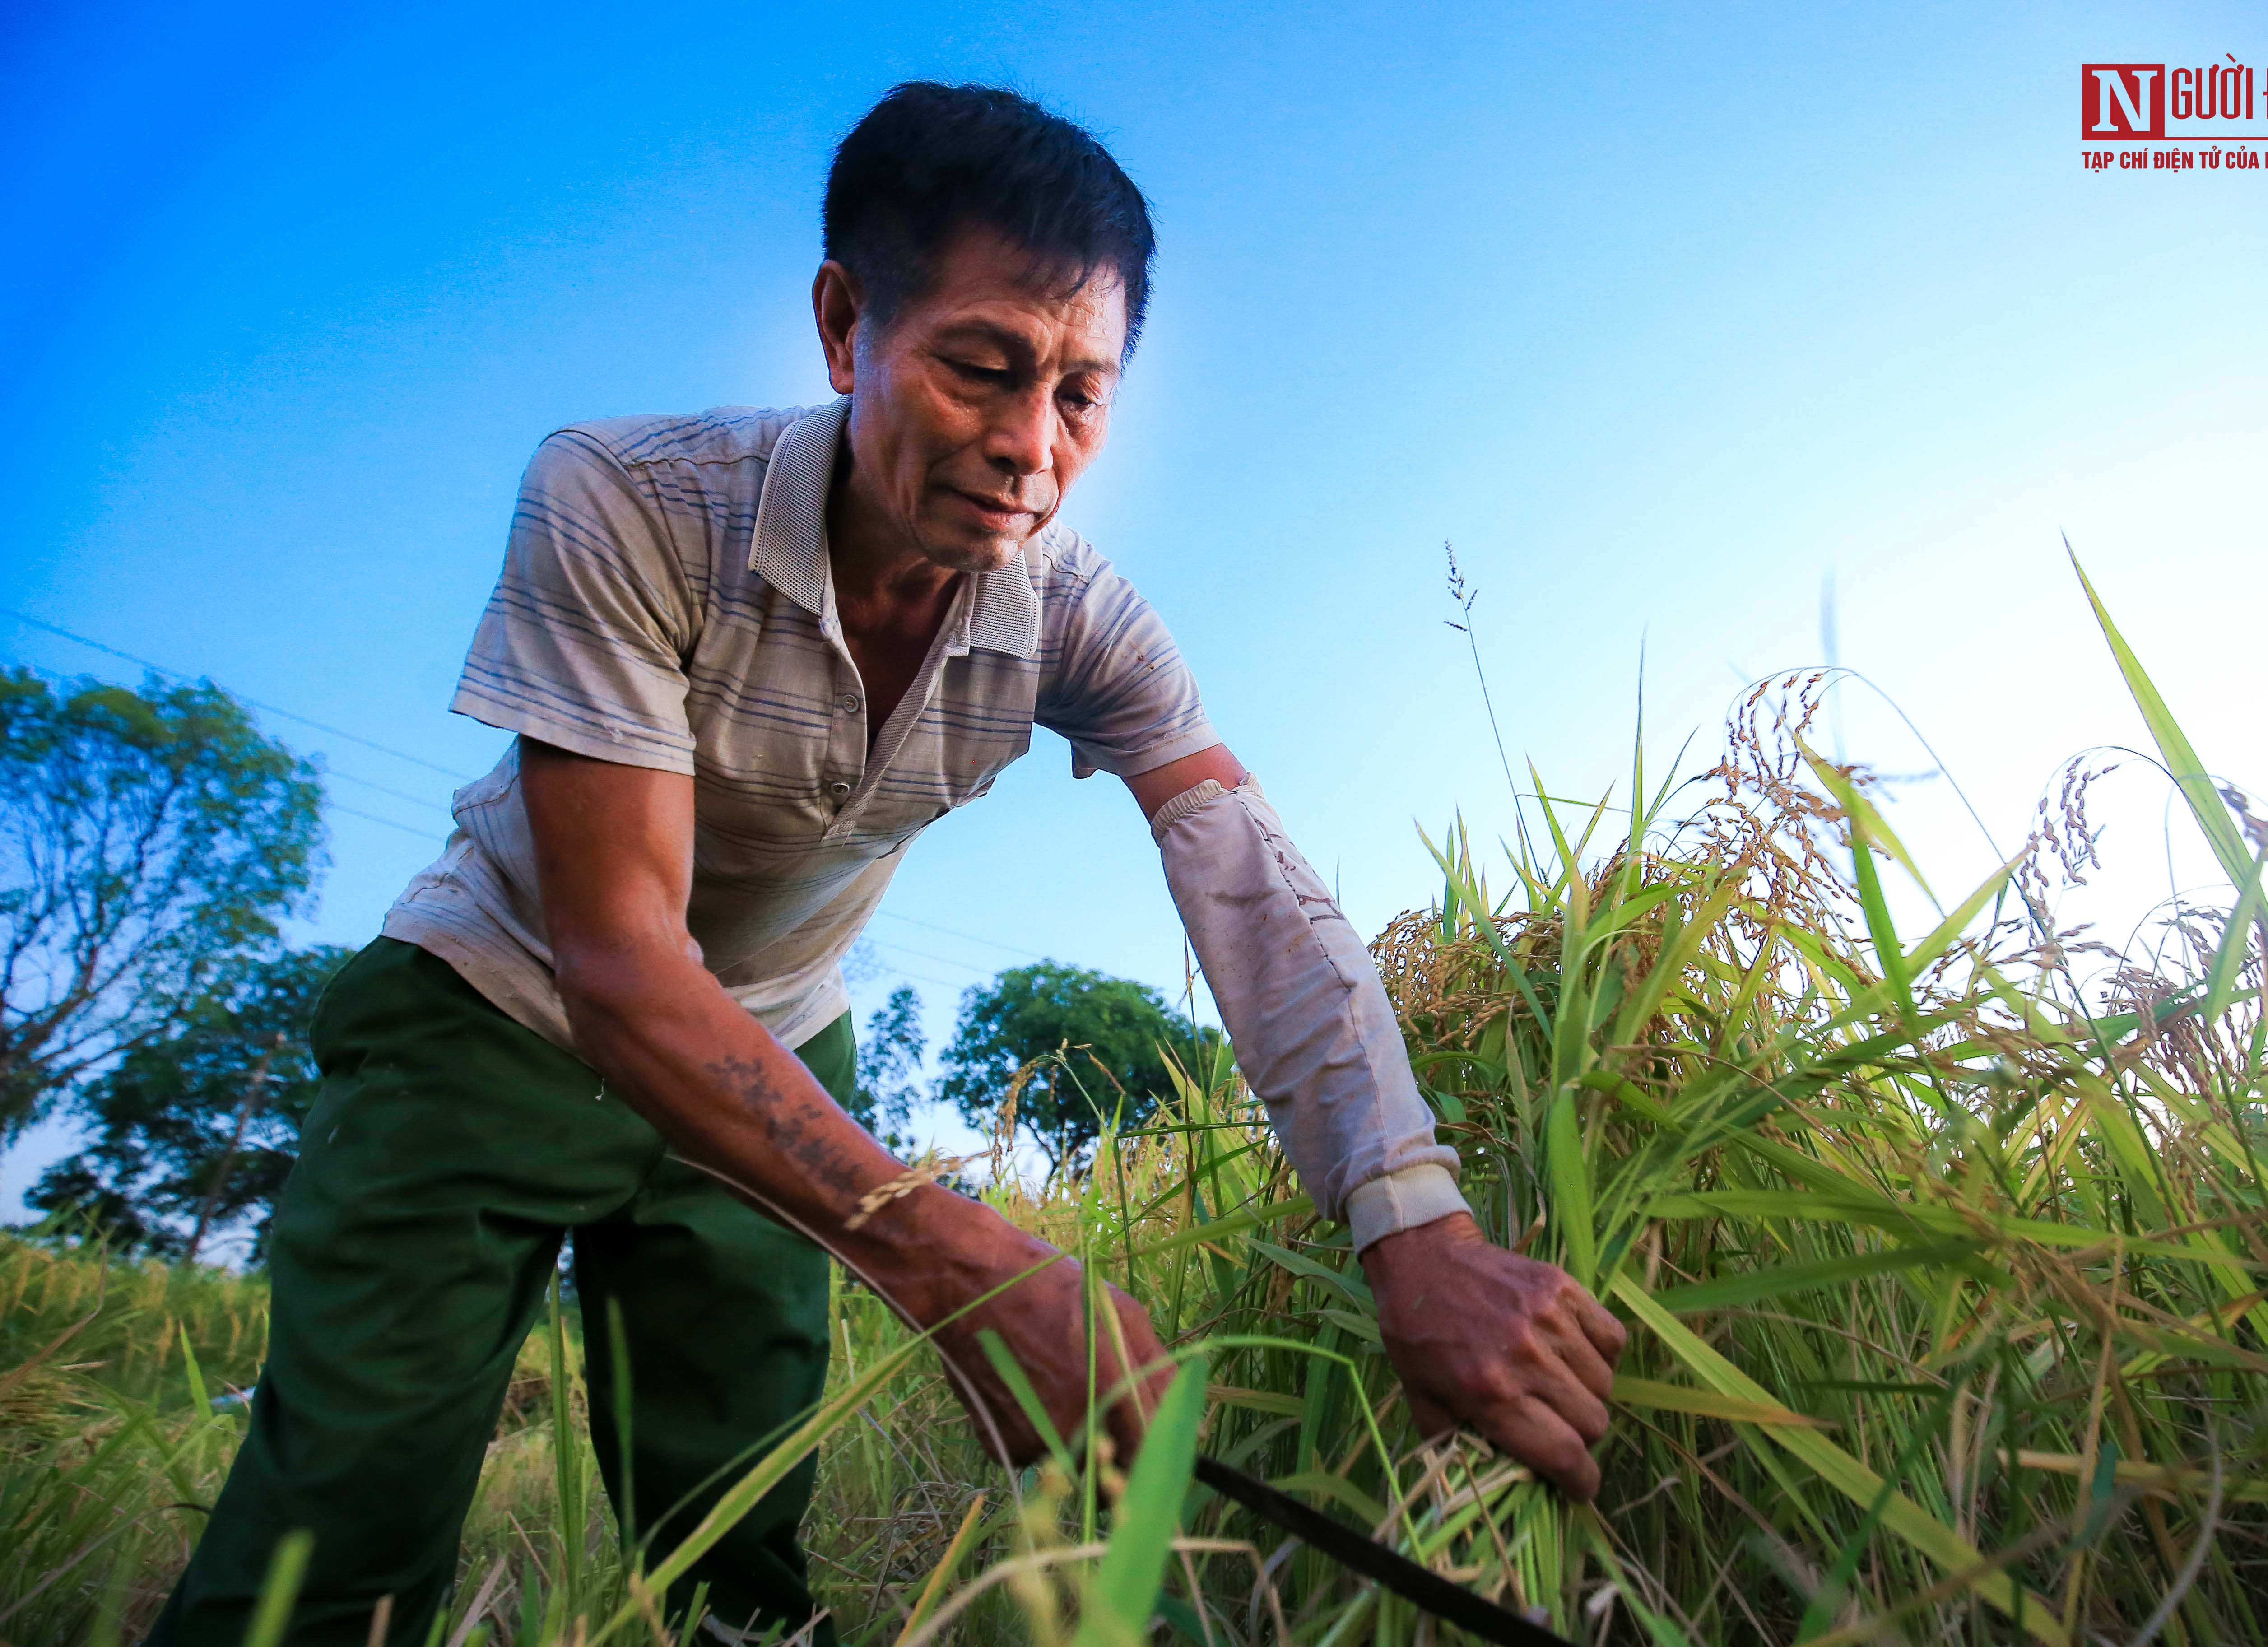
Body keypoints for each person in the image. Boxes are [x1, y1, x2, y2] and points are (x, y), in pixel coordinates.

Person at [147, 81, 1627, 1647]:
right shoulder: (629, 504)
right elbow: (623, 958)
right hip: (496, 1015)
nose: (1026, 449)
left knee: (734, 1530)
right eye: (982, 367)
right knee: (343, 1527)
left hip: (778, 1038)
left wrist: (1420, 1231)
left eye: (1081, 395)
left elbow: (1249, 885)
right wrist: (966, 1265)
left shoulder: (1080, 621)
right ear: (847, 327)